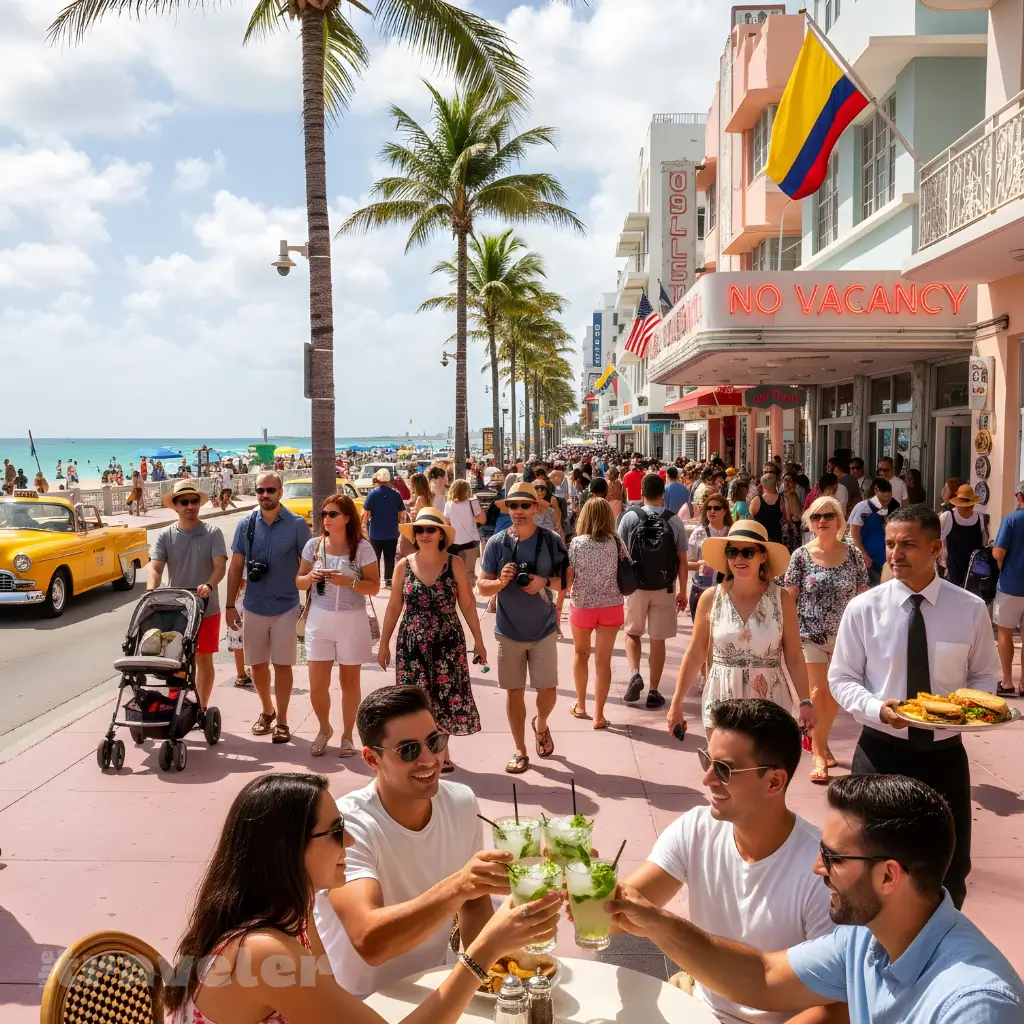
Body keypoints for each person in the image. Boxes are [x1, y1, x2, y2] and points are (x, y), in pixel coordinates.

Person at [606, 773, 1024, 1023]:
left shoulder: (973, 1005)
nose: (817, 868)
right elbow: (763, 975)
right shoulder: (867, 937)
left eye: (833, 858)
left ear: (889, 875)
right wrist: (657, 922)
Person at [165, 769, 561, 1024]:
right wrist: (486, 949)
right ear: (287, 849)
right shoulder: (265, 951)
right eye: (336, 831)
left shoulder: (292, 921)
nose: (350, 840)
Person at [314, 688, 561, 999]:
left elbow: (474, 908)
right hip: (360, 1003)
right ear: (371, 759)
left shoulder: (461, 802)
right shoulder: (349, 825)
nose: (429, 759)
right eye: (407, 751)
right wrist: (460, 885)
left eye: (435, 742)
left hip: (436, 991)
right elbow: (370, 942)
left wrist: (529, 902)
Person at [829, 505, 1002, 909]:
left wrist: (966, 709)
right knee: (869, 864)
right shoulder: (864, 609)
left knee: (947, 869)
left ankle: (939, 953)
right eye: (890, 544)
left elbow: (983, 678)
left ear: (936, 548)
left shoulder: (969, 610)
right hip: (880, 751)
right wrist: (876, 708)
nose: (895, 553)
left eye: (908, 544)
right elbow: (842, 679)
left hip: (943, 758)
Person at [621, 700, 836, 1024]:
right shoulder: (696, 828)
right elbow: (622, 912)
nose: (707, 779)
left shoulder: (823, 871)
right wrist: (575, 875)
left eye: (723, 769)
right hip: (698, 1010)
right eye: (706, 760)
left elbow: (836, 1006)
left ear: (775, 782)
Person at [669, 519, 815, 737]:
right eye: (732, 551)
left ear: (762, 556)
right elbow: (695, 653)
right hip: (722, 698)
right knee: (724, 767)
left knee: (765, 768)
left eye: (747, 552)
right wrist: (676, 702)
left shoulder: (781, 598)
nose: (738, 558)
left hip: (770, 699)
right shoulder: (711, 598)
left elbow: (794, 655)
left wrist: (805, 701)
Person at [379, 509, 486, 773]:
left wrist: (479, 641)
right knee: (416, 700)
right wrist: (383, 643)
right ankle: (422, 751)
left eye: (430, 530)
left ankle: (442, 751)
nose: (424, 535)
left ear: (441, 534)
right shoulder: (404, 565)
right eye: (419, 530)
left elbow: (468, 604)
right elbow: (394, 606)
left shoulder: (455, 564)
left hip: (447, 640)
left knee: (446, 696)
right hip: (411, 642)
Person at [478, 481, 567, 774]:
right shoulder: (497, 543)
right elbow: (482, 586)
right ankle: (520, 749)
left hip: (543, 629)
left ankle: (540, 724)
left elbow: (567, 580)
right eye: (513, 506)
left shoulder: (551, 540)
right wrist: (500, 582)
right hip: (508, 631)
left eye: (525, 505)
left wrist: (545, 582)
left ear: (535, 509)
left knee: (548, 691)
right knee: (514, 692)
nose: (518, 511)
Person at [784, 496, 869, 784]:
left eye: (829, 515)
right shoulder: (800, 556)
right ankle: (819, 755)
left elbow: (863, 594)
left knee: (835, 695)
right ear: (810, 521)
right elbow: (790, 596)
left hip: (845, 637)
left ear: (839, 520)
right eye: (817, 516)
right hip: (810, 634)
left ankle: (819, 740)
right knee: (819, 692)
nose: (823, 521)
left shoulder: (854, 555)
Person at [226, 471, 312, 744]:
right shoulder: (246, 524)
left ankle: (283, 720)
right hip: (253, 604)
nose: (265, 495)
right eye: (260, 490)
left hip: (286, 604)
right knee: (258, 664)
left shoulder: (297, 525)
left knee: (283, 664)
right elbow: (236, 565)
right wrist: (229, 605)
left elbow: (309, 564)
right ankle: (267, 711)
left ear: (280, 492)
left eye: (270, 490)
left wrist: (311, 600)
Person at [297, 493, 380, 758]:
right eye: (323, 514)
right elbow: (298, 581)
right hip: (319, 620)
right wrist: (310, 577)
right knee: (317, 684)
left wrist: (350, 582)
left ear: (346, 518)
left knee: (349, 682)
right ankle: (324, 729)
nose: (326, 519)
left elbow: (375, 586)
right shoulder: (313, 546)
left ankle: (347, 735)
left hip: (351, 620)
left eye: (333, 514)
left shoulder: (362, 548)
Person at [149, 480, 228, 707]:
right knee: (176, 659)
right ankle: (176, 705)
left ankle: (201, 707)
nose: (190, 506)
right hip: (177, 609)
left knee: (204, 659)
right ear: (176, 506)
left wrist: (210, 585)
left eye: (194, 501)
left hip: (206, 608)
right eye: (185, 502)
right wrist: (151, 590)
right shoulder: (166, 535)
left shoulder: (213, 533)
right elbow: (155, 567)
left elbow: (219, 566)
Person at [618, 473, 689, 710]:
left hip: (636, 586)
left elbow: (620, 554)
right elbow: (682, 559)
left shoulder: (629, 517)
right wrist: (682, 591)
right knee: (658, 640)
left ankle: (634, 673)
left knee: (633, 633)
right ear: (663, 493)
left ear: (641, 490)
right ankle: (653, 691)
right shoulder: (674, 520)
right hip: (664, 586)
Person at [566, 497, 624, 729]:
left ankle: (581, 705)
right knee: (603, 661)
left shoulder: (577, 543)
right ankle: (599, 715)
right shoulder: (616, 542)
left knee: (580, 655)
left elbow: (570, 574)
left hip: (582, 606)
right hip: (611, 605)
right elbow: (626, 565)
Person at [992, 480, 1024, 697]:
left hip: (1011, 585)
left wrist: (1001, 563)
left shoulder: (1012, 520)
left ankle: (1006, 681)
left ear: (1020, 497)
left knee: (1004, 633)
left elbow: (998, 552)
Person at [685, 495, 732, 621]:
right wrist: (700, 565)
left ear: (724, 511)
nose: (712, 511)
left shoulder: (733, 533)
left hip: (728, 592)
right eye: (709, 508)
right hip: (702, 590)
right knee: (701, 636)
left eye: (716, 508)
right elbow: (686, 563)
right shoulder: (698, 533)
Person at [848, 478, 899, 586]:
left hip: (884, 556)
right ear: (876, 490)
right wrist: (864, 554)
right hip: (869, 558)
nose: (886, 495)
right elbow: (854, 532)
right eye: (883, 492)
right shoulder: (864, 507)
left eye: (889, 492)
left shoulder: (889, 505)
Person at [362, 469, 407, 588]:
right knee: (389, 557)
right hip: (392, 532)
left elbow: (367, 513)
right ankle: (388, 580)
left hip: (376, 532)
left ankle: (375, 580)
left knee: (375, 557)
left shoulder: (372, 494)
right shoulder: (396, 494)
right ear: (388, 480)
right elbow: (401, 514)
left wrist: (363, 526)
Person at [939, 485, 987, 588]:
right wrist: (943, 564)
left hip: (974, 570)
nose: (970, 507)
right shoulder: (947, 517)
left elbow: (983, 541)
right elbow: (940, 543)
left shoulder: (980, 517)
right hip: (953, 569)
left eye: (971, 505)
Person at [444, 479, 485, 584]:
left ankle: (459, 594)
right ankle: (468, 595)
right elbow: (483, 520)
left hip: (454, 543)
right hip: (471, 542)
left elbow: (447, 523)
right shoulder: (472, 503)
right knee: (469, 573)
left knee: (455, 572)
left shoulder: (448, 504)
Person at [748, 473, 783, 544]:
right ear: (775, 484)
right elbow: (786, 517)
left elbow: (750, 518)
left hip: (759, 538)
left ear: (762, 485)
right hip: (776, 539)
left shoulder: (756, 500)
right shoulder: (781, 500)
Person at [779, 473, 803, 553]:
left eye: (790, 481)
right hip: (784, 528)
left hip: (793, 528)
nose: (787, 483)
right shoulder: (780, 496)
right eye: (785, 480)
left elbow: (797, 513)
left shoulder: (794, 495)